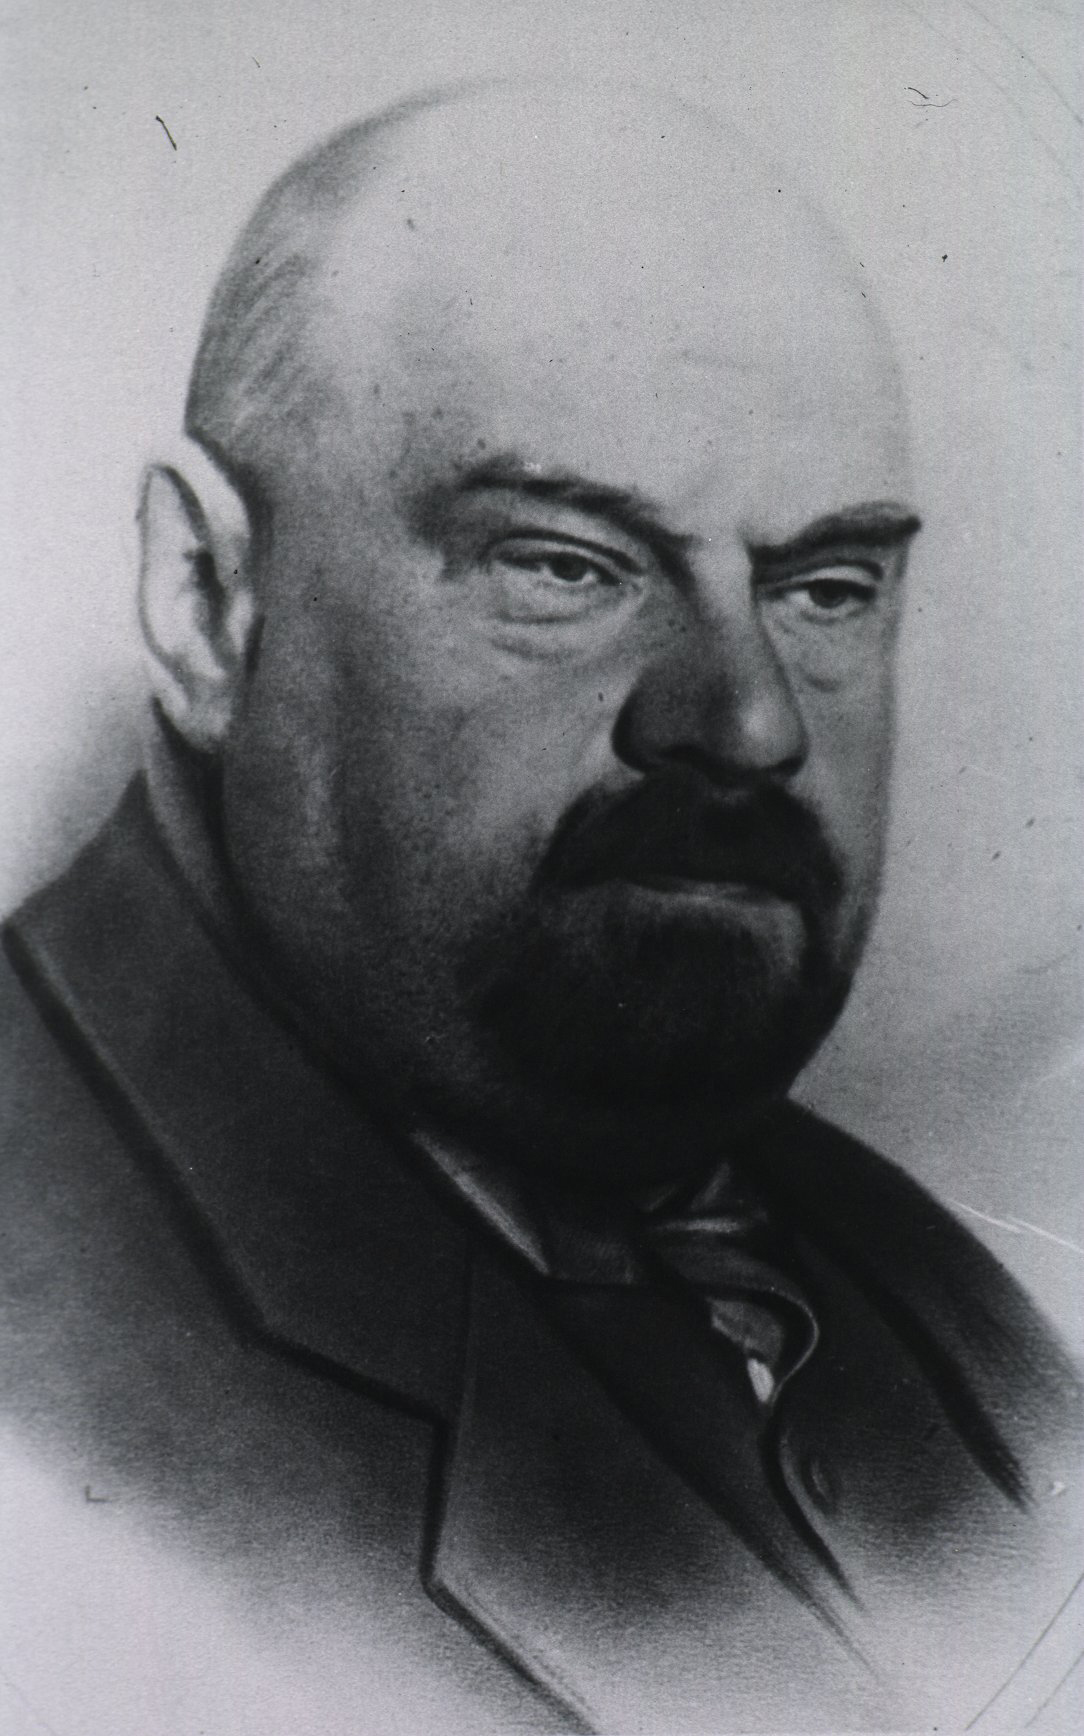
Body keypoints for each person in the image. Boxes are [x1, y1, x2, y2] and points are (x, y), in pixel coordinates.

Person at [1, 80, 1080, 1735]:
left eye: (825, 588)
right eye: (567, 566)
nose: (748, 723)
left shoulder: (977, 1335)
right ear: (207, 600)